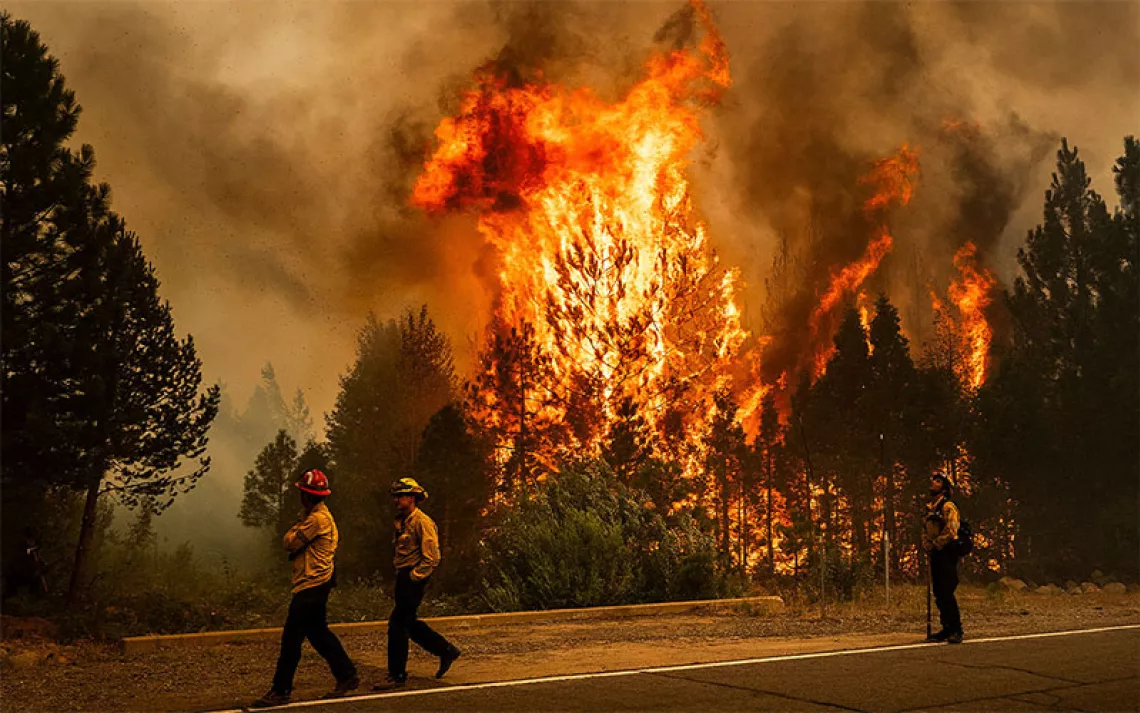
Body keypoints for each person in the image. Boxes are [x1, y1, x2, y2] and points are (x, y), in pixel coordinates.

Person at [252, 469, 358, 708]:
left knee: (291, 639)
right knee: (319, 634)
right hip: (316, 582)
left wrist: (294, 529)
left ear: (306, 496)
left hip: (311, 584)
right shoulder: (316, 516)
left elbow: (289, 542)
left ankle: (281, 690)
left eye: (302, 492)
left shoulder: (316, 520)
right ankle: (347, 675)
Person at [373, 477, 461, 691]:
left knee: (397, 624)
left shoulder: (421, 521)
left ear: (411, 498)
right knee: (409, 623)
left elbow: (432, 557)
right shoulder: (402, 520)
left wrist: (414, 576)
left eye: (400, 496)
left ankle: (397, 675)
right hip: (404, 575)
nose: (395, 500)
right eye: (395, 496)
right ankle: (446, 650)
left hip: (413, 578)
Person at [923, 472, 963, 644]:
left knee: (947, 592)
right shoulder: (931, 508)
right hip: (936, 553)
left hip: (947, 552)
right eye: (933, 480)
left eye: (938, 481)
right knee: (939, 593)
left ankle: (956, 630)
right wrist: (926, 544)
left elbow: (952, 530)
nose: (933, 483)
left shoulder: (948, 507)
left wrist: (937, 544)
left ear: (945, 488)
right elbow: (925, 529)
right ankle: (946, 629)